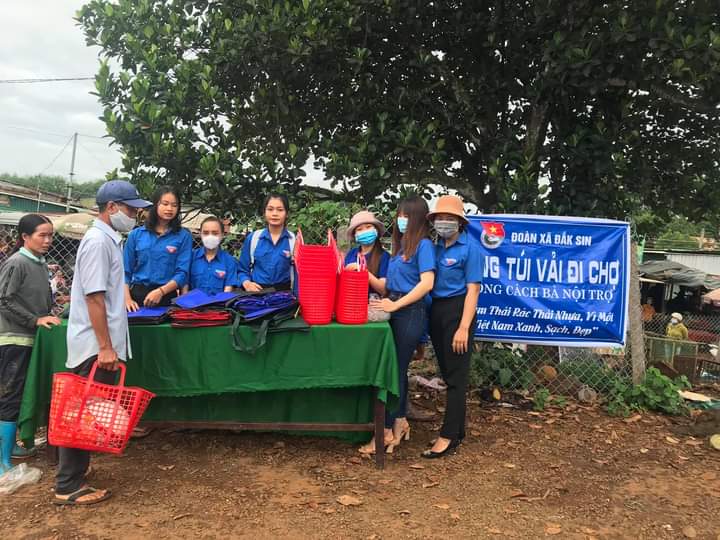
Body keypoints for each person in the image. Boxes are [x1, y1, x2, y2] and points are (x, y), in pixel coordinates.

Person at [55, 180, 151, 505]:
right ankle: (68, 485)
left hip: (98, 342)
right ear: (112, 208)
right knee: (82, 410)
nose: (136, 214)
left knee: (88, 409)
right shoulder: (98, 242)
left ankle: (75, 474)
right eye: (131, 208)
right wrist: (105, 346)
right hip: (94, 345)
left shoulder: (109, 240)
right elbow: (94, 297)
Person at [359, 195, 435, 454]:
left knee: (393, 370)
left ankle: (386, 430)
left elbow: (426, 283)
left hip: (410, 312)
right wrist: (362, 271)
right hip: (396, 309)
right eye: (399, 215)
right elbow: (386, 286)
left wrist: (396, 305)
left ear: (418, 219)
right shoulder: (401, 249)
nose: (401, 220)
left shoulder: (424, 246)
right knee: (397, 371)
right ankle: (399, 423)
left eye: (406, 215)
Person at [422, 195, 482, 458]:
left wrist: (464, 327)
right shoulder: (434, 248)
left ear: (460, 222)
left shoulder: (471, 249)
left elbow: (473, 291)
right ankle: (458, 430)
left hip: (458, 311)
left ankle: (447, 437)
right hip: (437, 311)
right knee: (448, 375)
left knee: (457, 378)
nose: (444, 222)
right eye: (439, 218)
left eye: (449, 218)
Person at [0, 214, 60, 473]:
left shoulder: (40, 262)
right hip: (14, 338)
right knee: (10, 395)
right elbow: (4, 300)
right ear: (25, 237)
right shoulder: (17, 263)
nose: (47, 240)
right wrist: (34, 320)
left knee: (20, 392)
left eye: (50, 235)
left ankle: (11, 446)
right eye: (42, 235)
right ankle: (2, 460)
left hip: (29, 338)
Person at [124, 186, 192, 310]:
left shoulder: (183, 236)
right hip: (136, 299)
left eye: (174, 205)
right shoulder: (136, 235)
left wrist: (161, 291)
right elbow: (125, 271)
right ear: (155, 205)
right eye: (165, 204)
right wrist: (127, 299)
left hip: (167, 297)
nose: (169, 209)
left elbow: (182, 273)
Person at [238, 193, 296, 291]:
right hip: (256, 294)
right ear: (264, 212)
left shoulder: (293, 241)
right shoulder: (253, 238)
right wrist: (246, 283)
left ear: (287, 214)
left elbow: (299, 274)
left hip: (284, 294)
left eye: (280, 210)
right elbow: (242, 269)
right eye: (270, 209)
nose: (274, 213)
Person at [186, 216, 239, 295]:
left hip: (218, 305)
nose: (210, 236)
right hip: (192, 305)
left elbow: (228, 290)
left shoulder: (230, 261)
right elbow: (184, 286)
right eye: (206, 233)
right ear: (200, 234)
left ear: (222, 235)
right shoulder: (190, 257)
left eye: (215, 233)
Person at [344, 210, 390, 295]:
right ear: (355, 236)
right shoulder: (351, 254)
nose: (365, 231)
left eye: (368, 227)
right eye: (359, 229)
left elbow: (383, 290)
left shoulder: (384, 256)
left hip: (373, 305)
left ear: (376, 230)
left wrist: (363, 271)